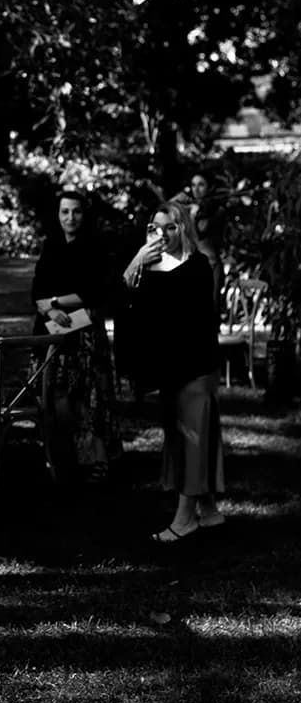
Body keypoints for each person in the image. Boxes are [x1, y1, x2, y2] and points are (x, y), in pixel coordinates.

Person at [122, 201, 227, 544]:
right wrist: (138, 260)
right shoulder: (149, 266)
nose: (163, 234)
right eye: (156, 227)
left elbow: (190, 319)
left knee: (195, 440)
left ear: (183, 228)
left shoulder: (198, 265)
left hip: (194, 366)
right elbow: (124, 301)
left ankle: (185, 521)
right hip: (168, 368)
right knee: (182, 437)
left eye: (171, 227)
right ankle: (209, 512)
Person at [31, 189, 122, 484]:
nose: (70, 218)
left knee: (91, 397)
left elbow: (93, 292)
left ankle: (98, 458)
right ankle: (62, 458)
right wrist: (48, 309)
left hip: (84, 334)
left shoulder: (95, 247)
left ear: (85, 214)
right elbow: (37, 292)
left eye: (76, 211)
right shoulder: (51, 246)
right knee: (56, 396)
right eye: (64, 211)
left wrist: (54, 303)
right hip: (52, 333)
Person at [173, 168, 228, 309]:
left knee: (210, 309)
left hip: (210, 266)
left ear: (210, 187)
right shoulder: (191, 207)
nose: (196, 190)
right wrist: (174, 201)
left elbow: (199, 235)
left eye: (201, 185)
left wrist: (191, 216)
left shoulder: (217, 210)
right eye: (193, 185)